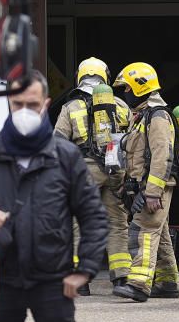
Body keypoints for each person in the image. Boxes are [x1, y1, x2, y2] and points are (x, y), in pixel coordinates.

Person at [0, 70, 108, 322]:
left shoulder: (65, 156)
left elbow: (92, 214)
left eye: (32, 104)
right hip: (3, 282)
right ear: (7, 103)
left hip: (52, 282)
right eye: (17, 103)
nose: (24, 111)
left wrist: (85, 271)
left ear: (46, 104)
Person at [54, 57, 132, 294]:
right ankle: (121, 278)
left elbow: (57, 142)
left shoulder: (70, 108)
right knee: (118, 224)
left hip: (84, 170)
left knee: (79, 223)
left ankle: (82, 282)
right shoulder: (120, 105)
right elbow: (133, 140)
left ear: (80, 77)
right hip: (116, 169)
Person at [111, 62, 179, 302]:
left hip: (156, 187)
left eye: (127, 89)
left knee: (143, 231)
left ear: (139, 88)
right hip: (147, 185)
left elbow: (162, 156)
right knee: (159, 234)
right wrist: (128, 184)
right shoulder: (143, 116)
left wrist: (152, 192)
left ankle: (139, 285)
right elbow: (138, 155)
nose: (125, 94)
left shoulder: (158, 116)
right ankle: (168, 282)